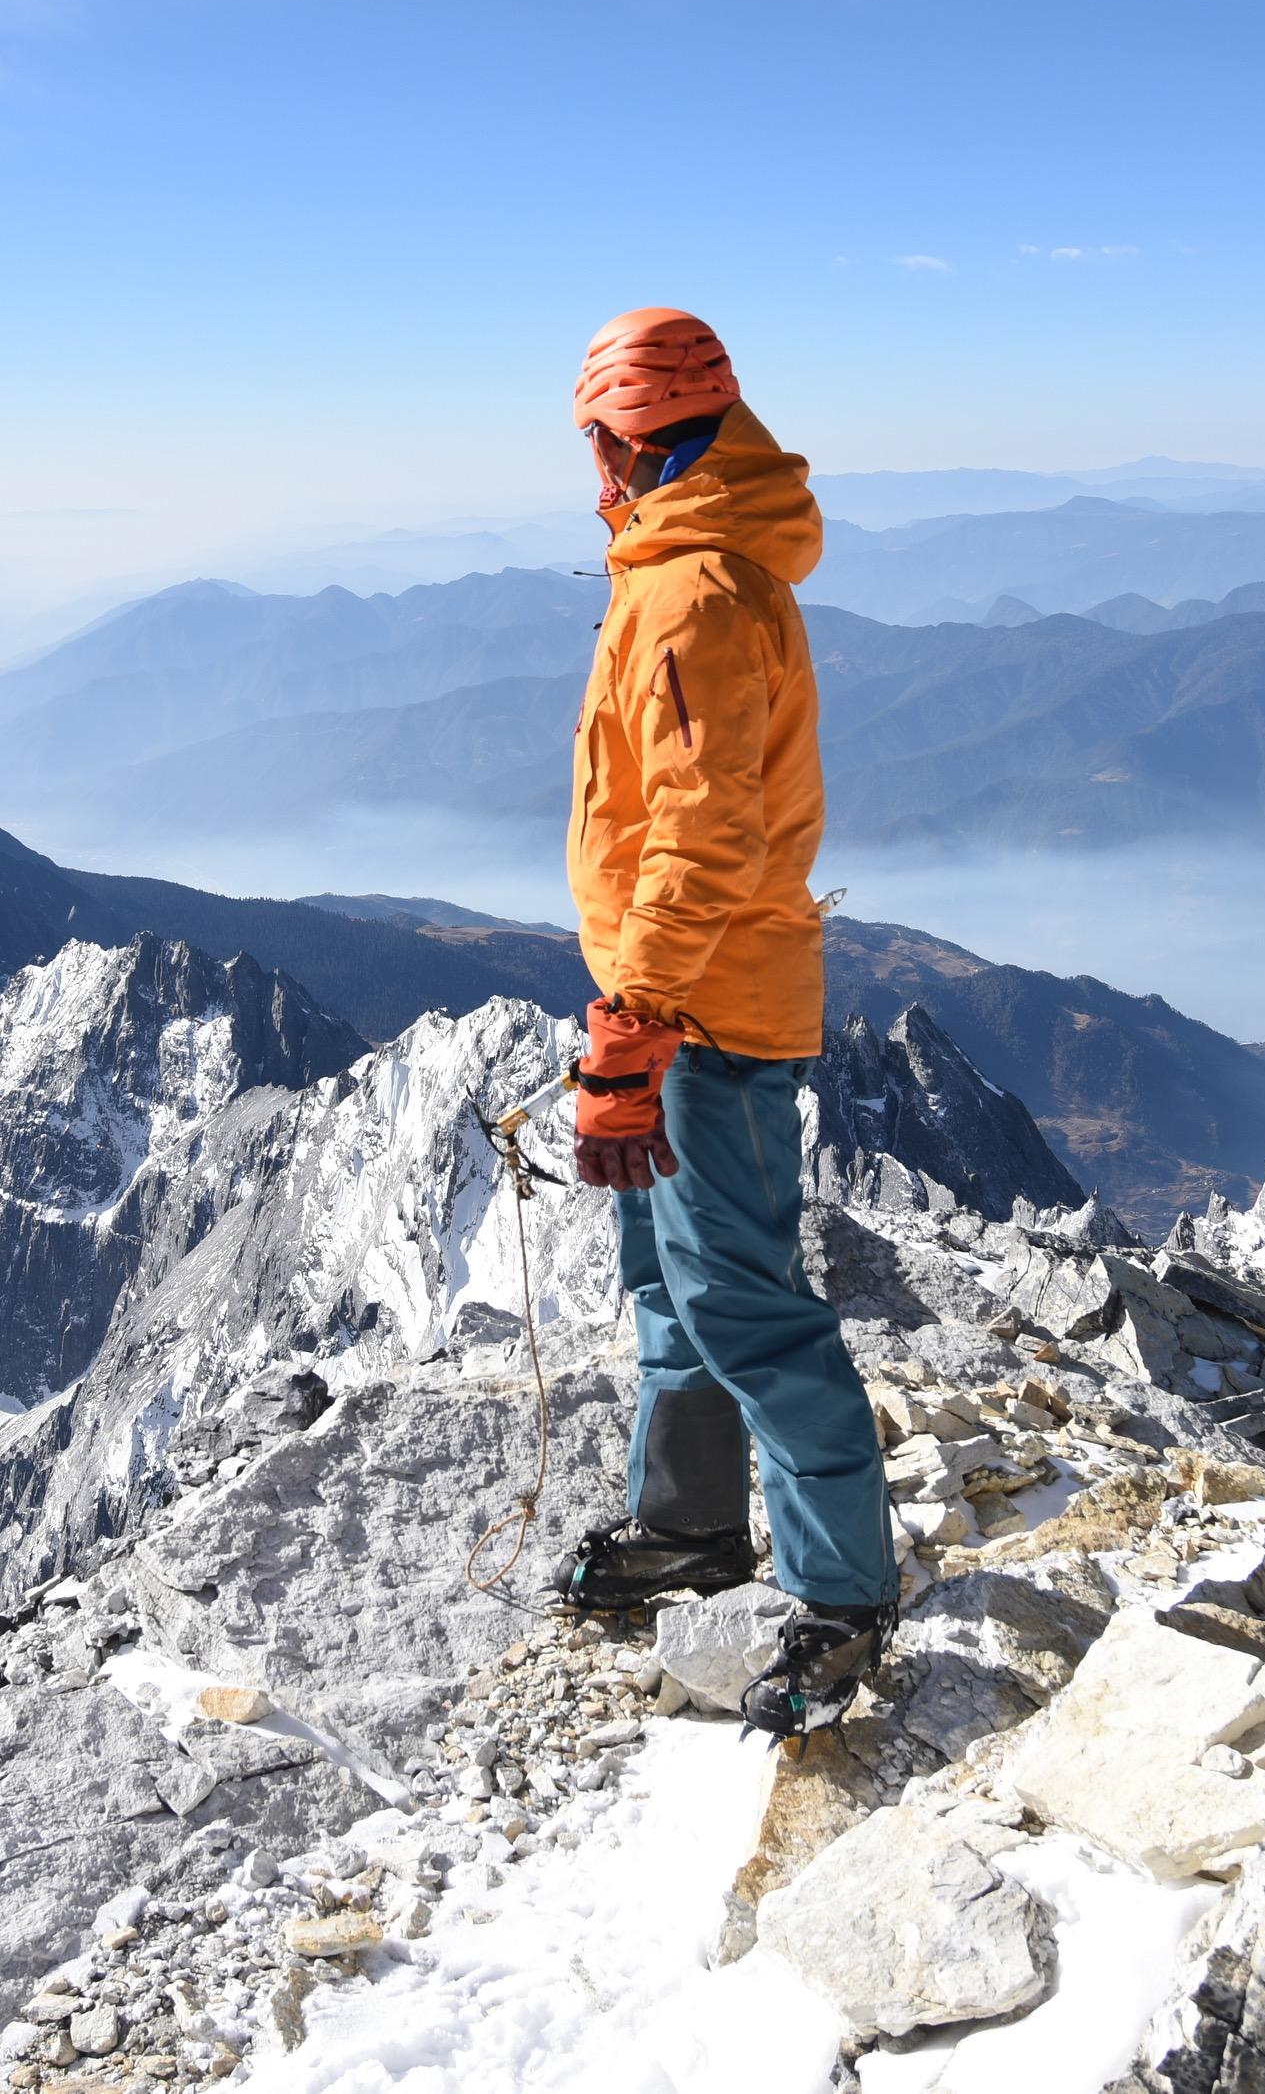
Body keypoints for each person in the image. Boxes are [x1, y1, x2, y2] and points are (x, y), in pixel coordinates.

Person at [546, 306, 896, 1736]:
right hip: (681, 998)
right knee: (668, 1284)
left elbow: (703, 839)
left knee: (742, 1300)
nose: (594, 468)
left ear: (628, 434)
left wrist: (634, 1023)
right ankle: (689, 1528)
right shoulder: (686, 571)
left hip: (709, 1012)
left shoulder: (692, 595)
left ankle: (842, 1597)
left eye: (599, 440)